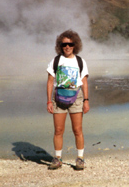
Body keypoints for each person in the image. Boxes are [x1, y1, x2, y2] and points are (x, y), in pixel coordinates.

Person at [46, 30, 89, 170]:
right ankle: (57, 159)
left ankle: (80, 158)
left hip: (76, 98)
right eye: (64, 44)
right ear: (60, 45)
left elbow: (84, 82)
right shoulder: (56, 60)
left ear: (75, 45)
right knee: (58, 130)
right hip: (58, 98)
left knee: (78, 130)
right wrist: (49, 101)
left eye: (70, 44)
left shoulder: (80, 61)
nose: (67, 47)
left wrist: (86, 100)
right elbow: (50, 82)